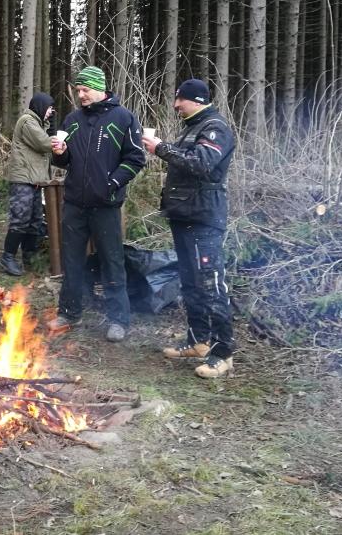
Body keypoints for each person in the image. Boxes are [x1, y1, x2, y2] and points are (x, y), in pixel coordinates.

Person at [142, 78, 237, 378]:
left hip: (204, 218)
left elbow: (201, 163)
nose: (175, 105)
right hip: (184, 216)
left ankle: (223, 353)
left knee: (211, 284)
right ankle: (199, 341)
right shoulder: (193, 127)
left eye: (180, 99)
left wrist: (161, 148)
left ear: (196, 100)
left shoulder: (215, 128)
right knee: (190, 282)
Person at [50, 66, 145, 342]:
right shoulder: (72, 120)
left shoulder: (123, 118)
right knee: (71, 260)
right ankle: (69, 312)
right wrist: (59, 153)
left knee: (111, 261)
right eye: (78, 90)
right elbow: (64, 161)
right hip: (74, 204)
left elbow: (135, 159)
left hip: (106, 204)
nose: (80, 95)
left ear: (100, 88)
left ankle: (118, 319)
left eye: (85, 89)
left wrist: (112, 183)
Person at [0, 92, 56, 276]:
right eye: (49, 108)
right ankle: (8, 257)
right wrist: (59, 140)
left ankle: (29, 256)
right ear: (40, 106)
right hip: (23, 179)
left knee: (35, 220)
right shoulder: (27, 122)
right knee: (21, 219)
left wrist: (51, 125)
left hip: (35, 179)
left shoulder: (38, 123)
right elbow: (44, 143)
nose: (51, 111)